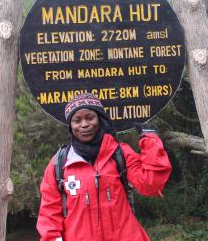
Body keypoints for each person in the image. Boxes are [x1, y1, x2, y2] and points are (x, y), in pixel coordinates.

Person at [37, 93, 172, 241]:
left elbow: (151, 185)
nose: (84, 125)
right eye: (77, 120)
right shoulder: (60, 163)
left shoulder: (120, 153)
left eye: (90, 117)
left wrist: (150, 139)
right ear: (71, 126)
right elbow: (49, 213)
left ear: (100, 119)